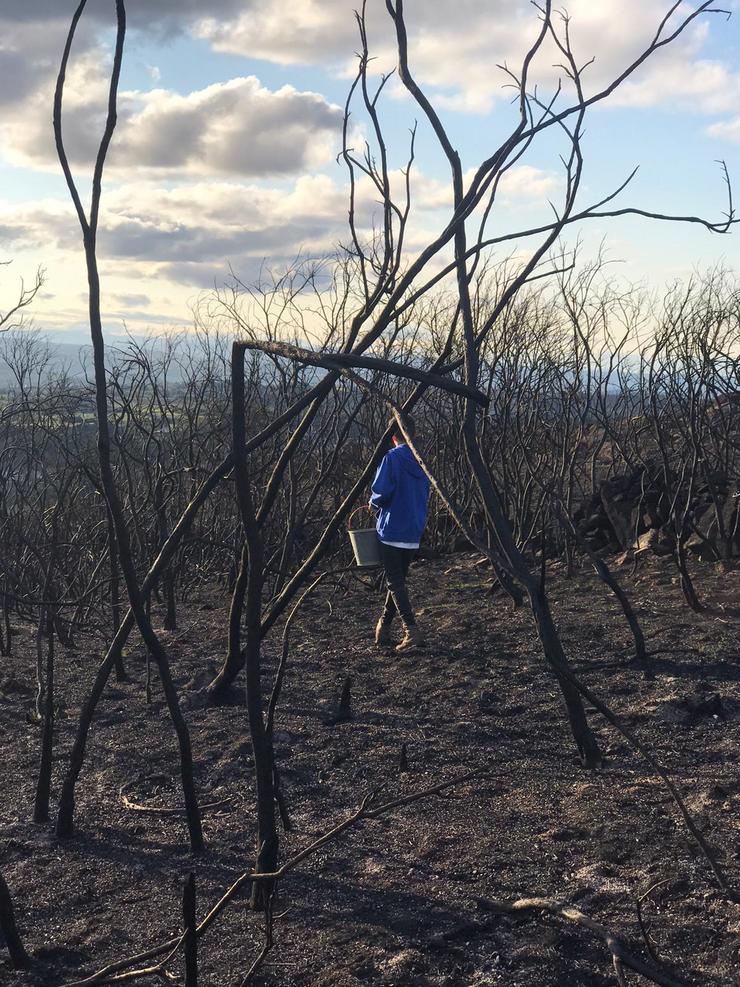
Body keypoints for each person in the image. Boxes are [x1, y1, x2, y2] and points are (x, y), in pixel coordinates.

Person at [369, 416, 431, 652]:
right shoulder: (422, 460)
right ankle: (383, 627)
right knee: (397, 582)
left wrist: (373, 504)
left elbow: (381, 492)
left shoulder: (392, 458)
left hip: (392, 527)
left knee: (395, 582)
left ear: (392, 436)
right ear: (412, 434)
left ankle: (411, 629)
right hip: (413, 529)